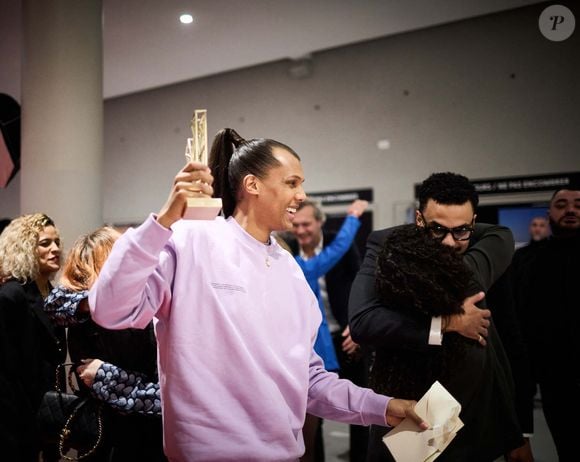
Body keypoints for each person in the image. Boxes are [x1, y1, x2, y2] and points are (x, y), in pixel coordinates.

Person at [88, 128, 427, 461]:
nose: (302, 195)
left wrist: (382, 407)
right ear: (252, 185)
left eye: (302, 184)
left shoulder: (290, 269)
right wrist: (163, 221)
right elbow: (109, 309)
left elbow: (308, 380)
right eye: (291, 182)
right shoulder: (192, 240)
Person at [349, 172, 529, 461]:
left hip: (472, 407)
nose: (448, 242)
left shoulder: (495, 238)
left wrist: (516, 430)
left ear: (473, 222)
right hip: (414, 402)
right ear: (419, 220)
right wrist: (448, 323)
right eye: (437, 229)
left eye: (461, 231)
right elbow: (363, 321)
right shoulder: (386, 246)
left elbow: (499, 345)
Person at [44, 226, 165, 461]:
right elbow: (55, 302)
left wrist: (104, 375)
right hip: (108, 433)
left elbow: (162, 395)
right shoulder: (82, 309)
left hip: (143, 432)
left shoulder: (146, 304)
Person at [289, 198, 370, 462]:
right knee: (312, 419)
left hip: (346, 338)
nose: (300, 230)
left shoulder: (320, 254)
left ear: (319, 222)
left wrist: (357, 326)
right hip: (313, 347)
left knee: (359, 408)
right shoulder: (292, 260)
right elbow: (335, 251)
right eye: (295, 225)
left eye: (306, 224)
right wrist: (353, 217)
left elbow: (358, 281)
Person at [514, 188, 580, 461]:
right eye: (561, 204)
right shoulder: (528, 261)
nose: (570, 210)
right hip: (558, 384)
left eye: (577, 204)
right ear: (549, 213)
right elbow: (520, 333)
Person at [0, 213, 66, 461]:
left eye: (57, 242)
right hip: (16, 419)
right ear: (25, 249)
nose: (56, 249)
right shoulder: (11, 295)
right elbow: (7, 372)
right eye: (45, 243)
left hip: (49, 410)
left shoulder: (53, 294)